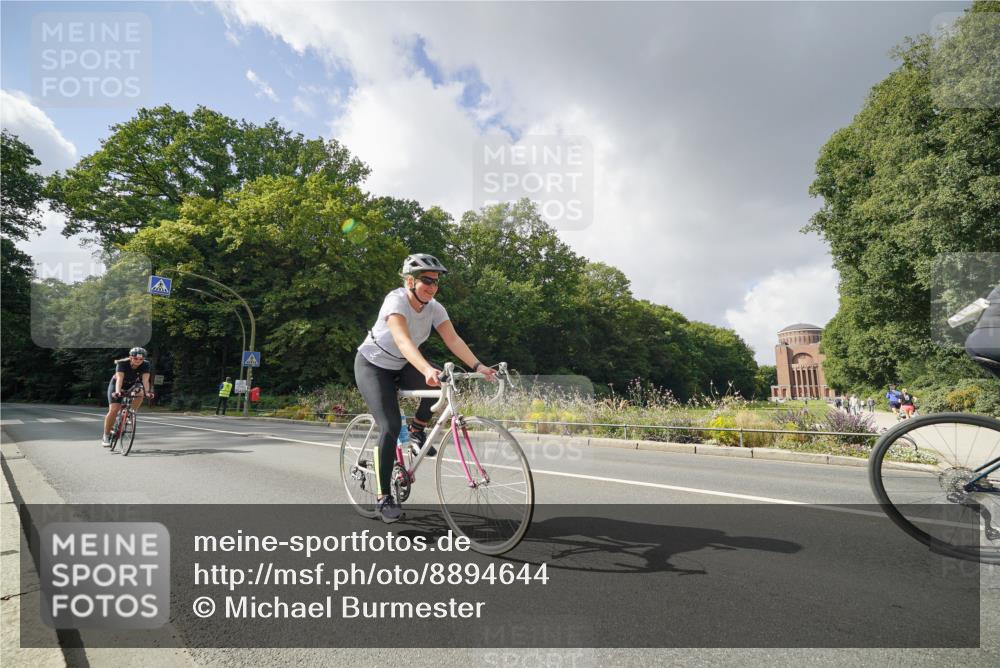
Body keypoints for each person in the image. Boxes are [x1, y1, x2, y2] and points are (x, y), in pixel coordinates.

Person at [355, 253, 497, 523]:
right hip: (373, 365)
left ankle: (418, 429)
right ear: (410, 281)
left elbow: (453, 340)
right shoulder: (395, 300)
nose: (432, 287)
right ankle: (383, 498)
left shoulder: (434, 307)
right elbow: (403, 340)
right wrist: (425, 369)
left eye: (436, 282)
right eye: (426, 281)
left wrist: (478, 366)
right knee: (391, 426)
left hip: (403, 364)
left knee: (444, 385)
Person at [101, 347, 153, 446]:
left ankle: (130, 413)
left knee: (140, 393)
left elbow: (145, 380)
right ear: (130, 357)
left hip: (132, 384)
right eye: (135, 358)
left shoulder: (146, 364)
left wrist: (148, 392)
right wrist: (117, 392)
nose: (138, 361)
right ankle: (106, 436)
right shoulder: (122, 364)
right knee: (114, 409)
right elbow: (119, 379)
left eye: (141, 359)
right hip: (117, 384)